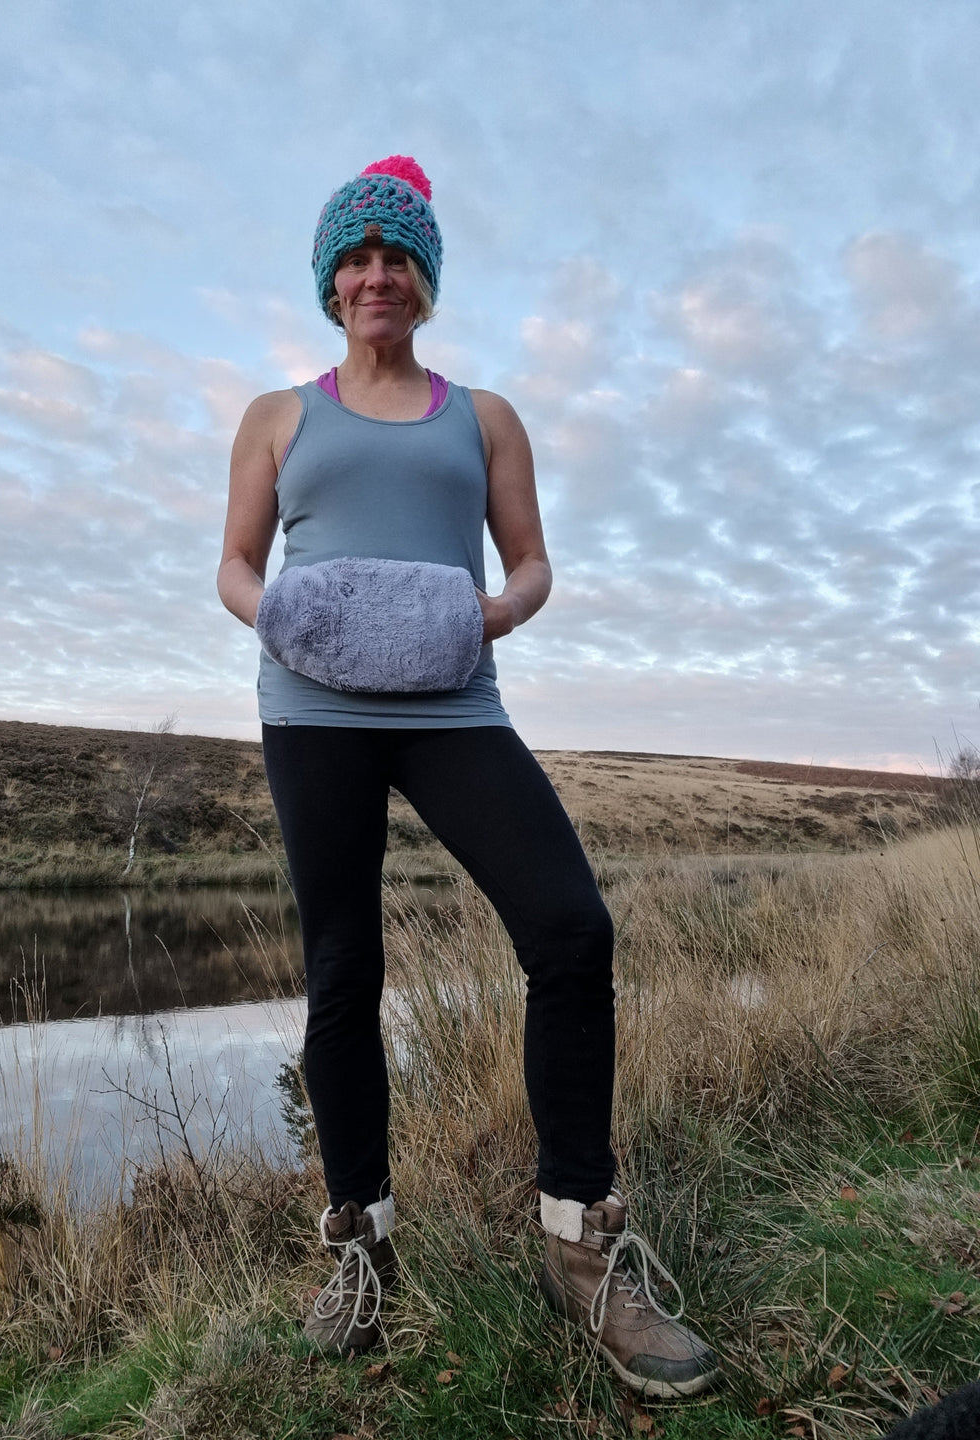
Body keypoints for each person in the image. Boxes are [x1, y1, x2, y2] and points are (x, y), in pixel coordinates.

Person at [217, 156, 717, 1399]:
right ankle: (364, 1248)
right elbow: (232, 568)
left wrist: (475, 622)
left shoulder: (482, 415)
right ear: (331, 281)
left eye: (398, 257)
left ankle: (577, 1243)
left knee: (567, 925)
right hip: (314, 712)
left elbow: (533, 563)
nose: (376, 275)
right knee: (343, 972)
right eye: (357, 257)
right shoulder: (279, 414)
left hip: (451, 701)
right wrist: (290, 621)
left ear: (425, 282)